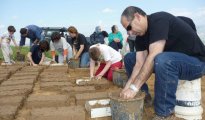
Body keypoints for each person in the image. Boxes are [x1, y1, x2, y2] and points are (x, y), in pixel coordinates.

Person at [120, 6, 205, 119]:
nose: (130, 33)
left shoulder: (159, 20)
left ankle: (164, 114)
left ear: (137, 16)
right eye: (127, 30)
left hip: (196, 62)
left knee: (162, 59)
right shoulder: (139, 36)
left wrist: (133, 88)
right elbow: (139, 64)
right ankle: (144, 97)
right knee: (130, 58)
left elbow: (154, 55)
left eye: (129, 27)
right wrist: (128, 87)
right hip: (173, 62)